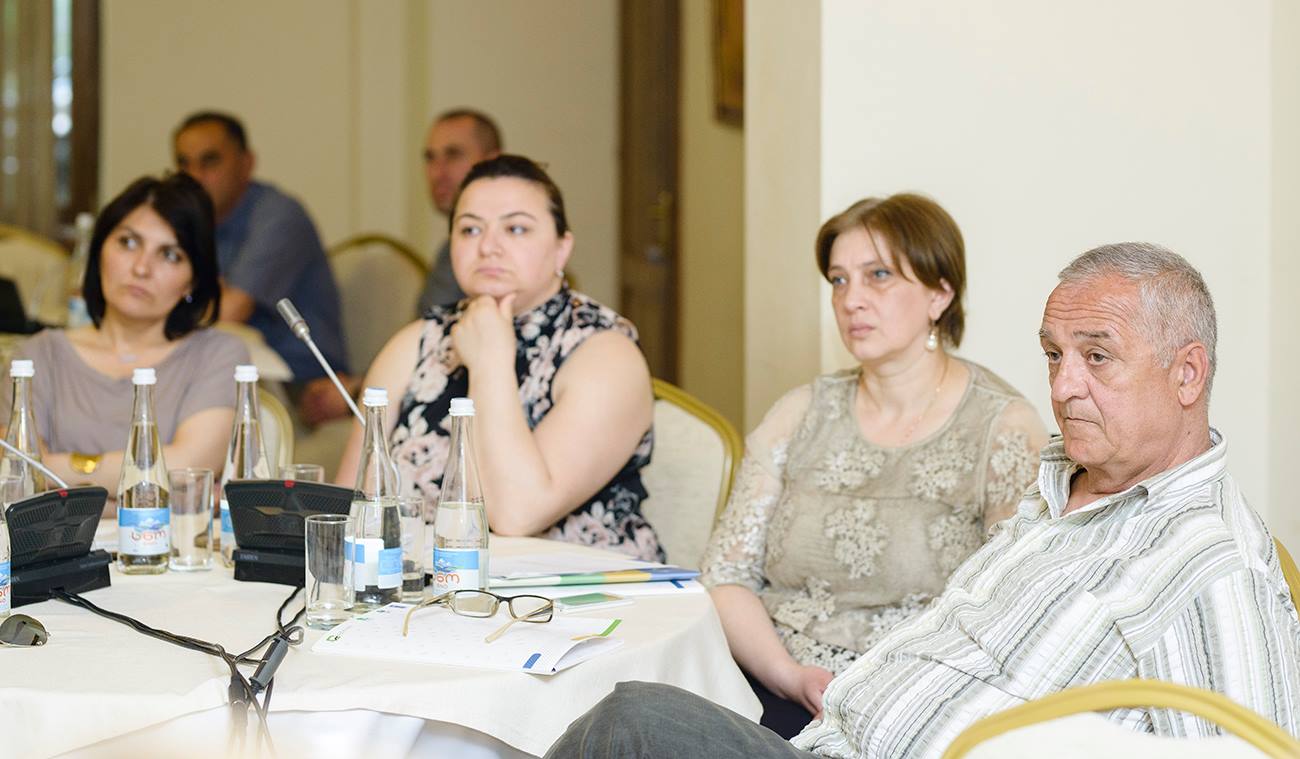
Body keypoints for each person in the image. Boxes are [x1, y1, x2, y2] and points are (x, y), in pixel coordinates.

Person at [545, 243, 1300, 758]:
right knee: (628, 705)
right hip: (824, 733)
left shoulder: (1212, 563)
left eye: (1097, 357)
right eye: (1054, 355)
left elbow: (1259, 746)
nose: (1064, 385)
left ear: (1187, 374)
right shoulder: (1060, 483)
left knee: (632, 723)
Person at [699, 194, 1048, 738]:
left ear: (939, 293)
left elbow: (1010, 611)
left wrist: (880, 693)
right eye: (839, 280)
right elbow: (726, 576)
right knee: (637, 716)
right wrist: (789, 676)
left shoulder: (1002, 427)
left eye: (878, 275)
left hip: (914, 702)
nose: (851, 300)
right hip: (771, 681)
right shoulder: (800, 413)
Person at [335, 154, 662, 561]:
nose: (488, 247)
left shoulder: (605, 353)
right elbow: (351, 510)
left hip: (583, 589)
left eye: (516, 228)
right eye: (470, 229)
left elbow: (516, 514)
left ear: (562, 249)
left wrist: (489, 362)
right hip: (421, 586)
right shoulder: (416, 341)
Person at [0, 174, 248, 507]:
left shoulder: (219, 355)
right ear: (99, 249)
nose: (142, 268)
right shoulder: (37, 356)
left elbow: (188, 468)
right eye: (128, 243)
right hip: (57, 542)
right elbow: (17, 475)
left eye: (170, 255)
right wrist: (153, 492)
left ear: (192, 281)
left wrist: (54, 471)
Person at [172, 111, 348, 399]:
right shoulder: (191, 221)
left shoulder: (279, 216)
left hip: (301, 385)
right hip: (233, 367)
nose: (194, 177)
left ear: (247, 163)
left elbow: (228, 313)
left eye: (210, 161)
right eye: (184, 164)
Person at [417, 109, 503, 315]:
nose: (438, 172)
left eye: (453, 155)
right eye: (430, 158)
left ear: (492, 162)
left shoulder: (505, 251)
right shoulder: (451, 247)